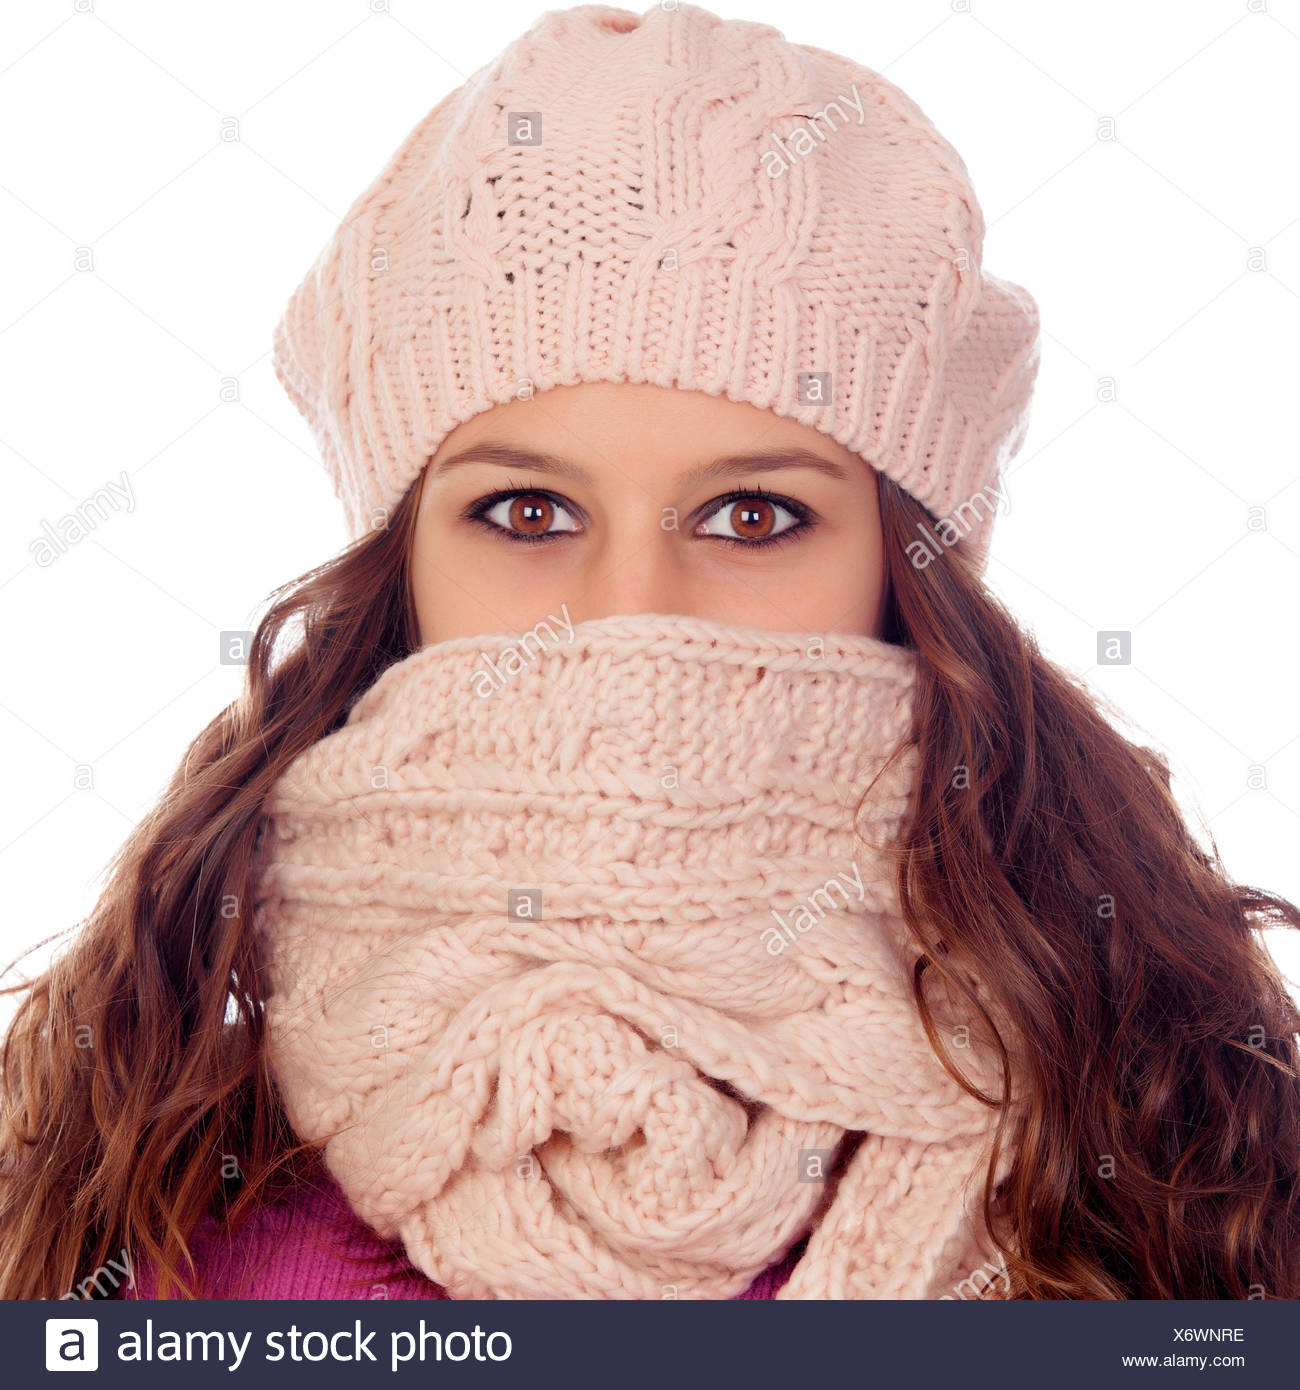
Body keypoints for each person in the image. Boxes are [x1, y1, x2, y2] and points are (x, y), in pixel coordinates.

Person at [3, 2, 1299, 1302]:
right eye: (527, 512)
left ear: (911, 581)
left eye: (754, 515)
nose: (631, 609)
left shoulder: (1186, 1156)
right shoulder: (138, 1166)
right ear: (402, 572)